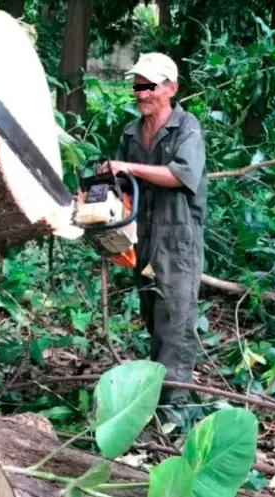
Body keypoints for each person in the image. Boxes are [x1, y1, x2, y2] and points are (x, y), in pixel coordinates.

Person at [101, 52, 208, 426]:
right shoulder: (131, 133)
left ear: (171, 88)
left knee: (175, 327)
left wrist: (129, 167)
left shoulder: (187, 128)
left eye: (149, 85)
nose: (141, 93)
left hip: (177, 243)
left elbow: (182, 175)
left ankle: (173, 418)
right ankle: (159, 403)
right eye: (137, 85)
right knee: (153, 320)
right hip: (142, 239)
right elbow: (123, 187)